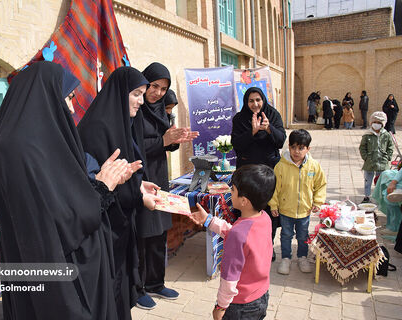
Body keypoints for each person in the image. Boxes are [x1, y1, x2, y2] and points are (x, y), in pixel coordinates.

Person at [0, 61, 137, 319]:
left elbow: (58, 201)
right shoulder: (25, 150)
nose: (70, 107)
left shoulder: (17, 141)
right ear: (45, 94)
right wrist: (102, 187)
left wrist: (103, 183)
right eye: (68, 97)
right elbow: (66, 223)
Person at [77, 66, 161, 320]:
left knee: (120, 289)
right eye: (135, 93)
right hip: (104, 226)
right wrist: (137, 196)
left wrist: (138, 185)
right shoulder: (98, 128)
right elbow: (101, 182)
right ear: (120, 93)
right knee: (109, 289)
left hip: (120, 222)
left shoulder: (123, 123)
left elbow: (124, 172)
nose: (140, 100)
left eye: (142, 94)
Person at [135, 62, 198, 309]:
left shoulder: (160, 110)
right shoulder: (135, 110)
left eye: (163, 88)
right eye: (154, 86)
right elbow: (134, 148)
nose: (158, 93)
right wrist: (162, 140)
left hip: (159, 178)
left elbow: (165, 144)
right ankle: (138, 288)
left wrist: (175, 140)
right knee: (143, 233)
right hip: (140, 180)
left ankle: (156, 283)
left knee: (159, 232)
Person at [189, 165, 276, 320]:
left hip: (240, 306)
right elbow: (236, 234)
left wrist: (220, 307)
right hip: (261, 296)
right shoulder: (264, 218)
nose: (230, 192)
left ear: (243, 201)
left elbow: (229, 279)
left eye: (233, 190)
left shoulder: (239, 234)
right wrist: (208, 220)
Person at [231, 87, 286, 261]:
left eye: (258, 100)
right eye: (251, 101)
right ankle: (247, 246)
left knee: (269, 210)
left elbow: (281, 140)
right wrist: (252, 132)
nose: (255, 104)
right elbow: (237, 144)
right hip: (247, 172)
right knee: (247, 208)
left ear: (263, 100)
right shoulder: (239, 119)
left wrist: (269, 129)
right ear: (246, 102)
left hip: (268, 171)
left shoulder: (273, 114)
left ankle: (267, 246)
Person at [269, 129, 327, 275]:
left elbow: (320, 185)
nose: (296, 151)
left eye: (301, 148)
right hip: (285, 210)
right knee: (286, 235)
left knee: (303, 236)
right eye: (293, 147)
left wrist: (318, 202)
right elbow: (274, 188)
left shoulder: (314, 166)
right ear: (289, 146)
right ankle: (286, 259)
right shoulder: (280, 166)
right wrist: (273, 204)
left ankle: (302, 257)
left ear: (308, 149)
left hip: (305, 211)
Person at [359, 111, 394, 203]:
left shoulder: (386, 135)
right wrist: (365, 157)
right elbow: (362, 147)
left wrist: (388, 157)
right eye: (375, 122)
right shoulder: (367, 135)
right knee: (368, 180)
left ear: (382, 124)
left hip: (382, 162)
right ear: (371, 123)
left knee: (380, 181)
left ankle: (380, 198)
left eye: (379, 123)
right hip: (369, 162)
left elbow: (390, 146)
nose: (376, 125)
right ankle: (367, 197)